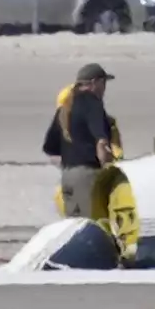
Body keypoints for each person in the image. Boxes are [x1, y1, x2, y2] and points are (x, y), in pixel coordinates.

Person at [42, 63, 117, 219]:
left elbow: (50, 147)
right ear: (95, 82)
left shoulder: (65, 107)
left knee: (75, 227)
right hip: (88, 176)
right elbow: (100, 139)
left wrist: (72, 150)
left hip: (68, 176)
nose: (104, 89)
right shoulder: (92, 103)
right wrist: (109, 164)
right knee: (95, 225)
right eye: (103, 83)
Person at [50, 83, 125, 217]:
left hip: (71, 181)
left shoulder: (67, 123)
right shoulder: (99, 122)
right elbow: (115, 153)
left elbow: (52, 150)